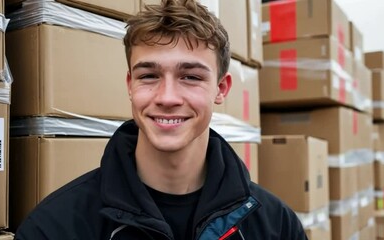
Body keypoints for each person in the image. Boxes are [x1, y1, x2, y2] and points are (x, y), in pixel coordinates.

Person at [15, 0, 308, 239]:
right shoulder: (55, 228)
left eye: (190, 77)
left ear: (221, 89)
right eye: (149, 76)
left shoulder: (276, 227)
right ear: (130, 85)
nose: (167, 97)